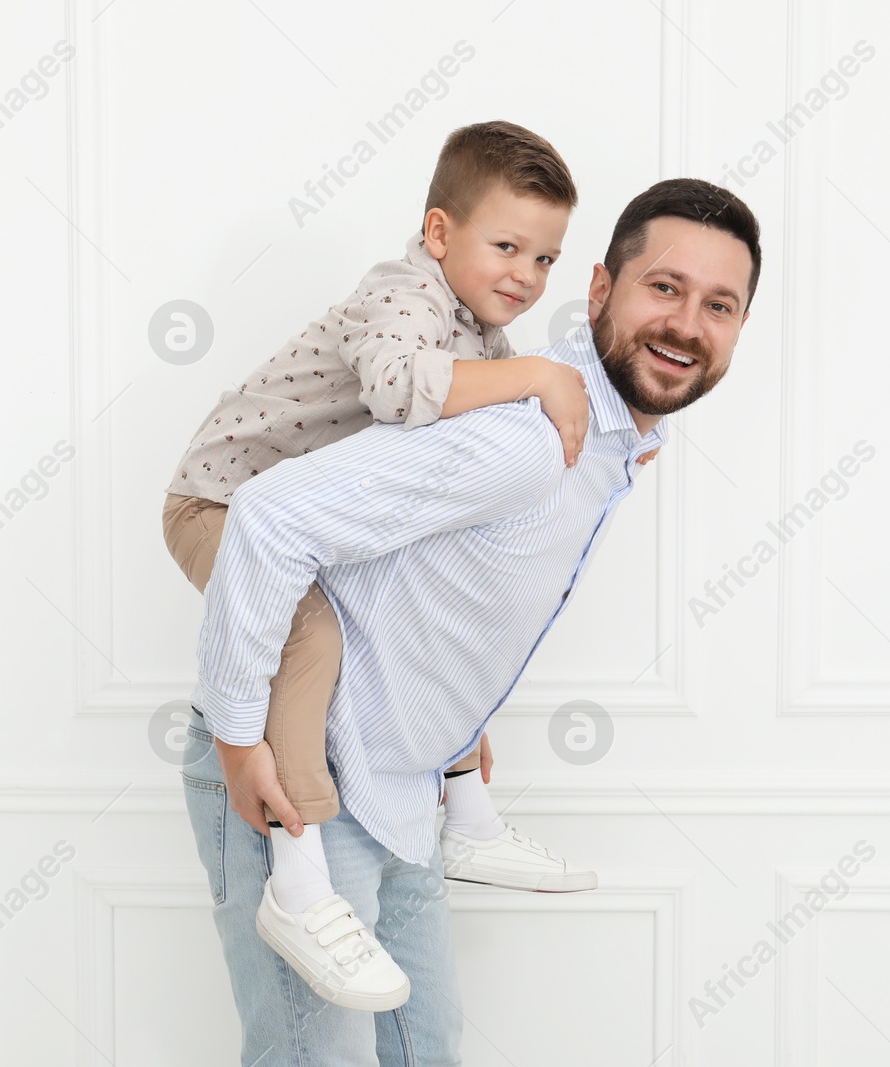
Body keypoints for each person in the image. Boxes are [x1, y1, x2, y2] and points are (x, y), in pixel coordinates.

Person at [183, 176, 763, 1064]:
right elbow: (266, 517)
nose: (688, 324)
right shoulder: (530, 432)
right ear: (603, 289)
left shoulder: (607, 440)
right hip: (305, 786)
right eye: (666, 288)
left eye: (719, 304)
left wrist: (462, 721)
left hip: (405, 788)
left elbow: (445, 584)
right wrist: (235, 737)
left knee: (428, 1050)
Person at [161, 121, 603, 1011]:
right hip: (220, 501)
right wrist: (542, 379)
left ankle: (468, 817)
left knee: (427, 610)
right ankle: (297, 873)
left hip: (300, 527)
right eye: (507, 245)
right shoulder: (404, 293)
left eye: (547, 259)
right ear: (440, 233)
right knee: (312, 634)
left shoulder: (484, 335)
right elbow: (402, 391)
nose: (525, 274)